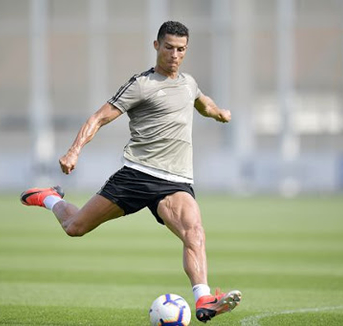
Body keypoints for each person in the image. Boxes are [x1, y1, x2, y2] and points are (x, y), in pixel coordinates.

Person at [20, 21, 241, 323]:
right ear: (156, 46)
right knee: (75, 227)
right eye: (168, 48)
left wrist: (219, 113)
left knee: (194, 231)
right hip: (137, 175)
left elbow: (203, 104)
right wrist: (74, 150)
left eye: (180, 49)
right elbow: (98, 117)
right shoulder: (141, 84)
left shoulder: (189, 83)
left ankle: (203, 299)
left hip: (176, 181)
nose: (174, 54)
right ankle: (49, 198)